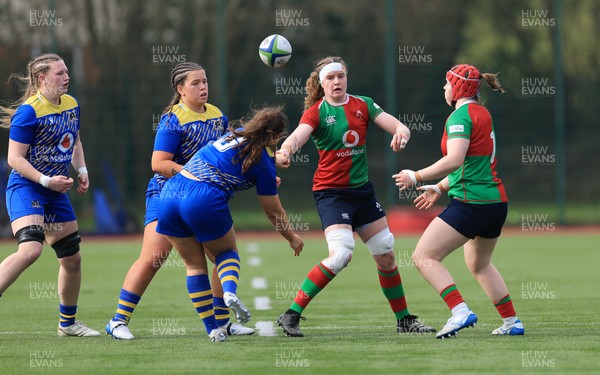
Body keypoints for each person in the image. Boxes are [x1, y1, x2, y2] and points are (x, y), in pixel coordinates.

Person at [275, 56, 435, 337]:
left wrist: (402, 133)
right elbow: (297, 137)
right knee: (341, 255)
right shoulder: (317, 112)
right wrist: (286, 150)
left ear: (346, 78)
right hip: (332, 194)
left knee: (385, 253)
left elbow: (400, 126)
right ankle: (291, 314)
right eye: (330, 78)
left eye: (341, 76)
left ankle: (404, 320)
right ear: (321, 84)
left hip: (362, 193)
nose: (337, 82)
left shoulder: (363, 104)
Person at [106, 62, 254, 339]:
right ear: (180, 89)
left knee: (219, 257)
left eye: (205, 81)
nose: (203, 87)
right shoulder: (173, 119)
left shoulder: (217, 115)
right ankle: (117, 321)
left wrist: (255, 174)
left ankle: (222, 322)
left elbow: (226, 156)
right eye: (196, 83)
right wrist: (193, 174)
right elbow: (158, 163)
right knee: (154, 257)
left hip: (202, 197)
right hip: (167, 193)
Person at [393, 64, 524, 339]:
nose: (444, 88)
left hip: (471, 202)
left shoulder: (458, 117)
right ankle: (511, 321)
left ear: (458, 88)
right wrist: (440, 187)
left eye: (446, 83)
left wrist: (415, 176)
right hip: (495, 203)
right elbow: (471, 163)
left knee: (423, 256)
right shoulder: (482, 112)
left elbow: (454, 160)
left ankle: (459, 311)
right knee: (479, 264)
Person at [156, 106, 304, 342]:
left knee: (193, 266)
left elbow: (243, 157)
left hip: (170, 195)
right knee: (227, 253)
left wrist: (273, 160)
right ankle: (230, 293)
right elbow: (273, 211)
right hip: (202, 198)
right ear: (277, 136)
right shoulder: (264, 163)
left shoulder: (236, 134)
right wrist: (292, 238)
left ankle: (214, 328)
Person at [0, 53, 99, 336]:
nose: (66, 77)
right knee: (31, 250)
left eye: (67, 71)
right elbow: (14, 158)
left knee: (72, 258)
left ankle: (67, 324)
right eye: (59, 73)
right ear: (42, 79)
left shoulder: (71, 104)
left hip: (55, 191)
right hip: (27, 187)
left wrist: (81, 170)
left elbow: (75, 141)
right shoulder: (29, 112)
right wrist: (45, 179)